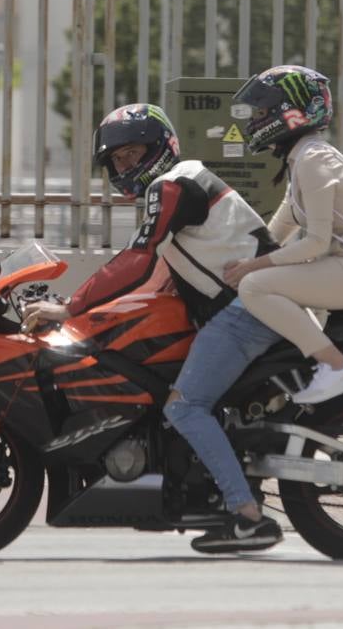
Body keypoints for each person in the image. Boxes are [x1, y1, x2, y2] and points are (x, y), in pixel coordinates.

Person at [20, 103, 286, 553]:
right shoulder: (177, 187)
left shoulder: (174, 184)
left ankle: (247, 518)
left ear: (161, 147)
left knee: (184, 408)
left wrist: (70, 310)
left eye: (133, 153)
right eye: (117, 160)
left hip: (246, 312)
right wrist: (83, 309)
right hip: (250, 306)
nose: (126, 166)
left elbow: (137, 259)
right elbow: (152, 276)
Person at [222, 65, 343, 404]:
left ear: (289, 111)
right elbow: (281, 227)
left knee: (256, 286)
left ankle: (335, 365)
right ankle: (313, 366)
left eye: (262, 111)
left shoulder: (313, 160)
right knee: (266, 280)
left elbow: (315, 243)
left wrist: (250, 269)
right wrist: (241, 257)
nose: (255, 120)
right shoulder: (302, 158)